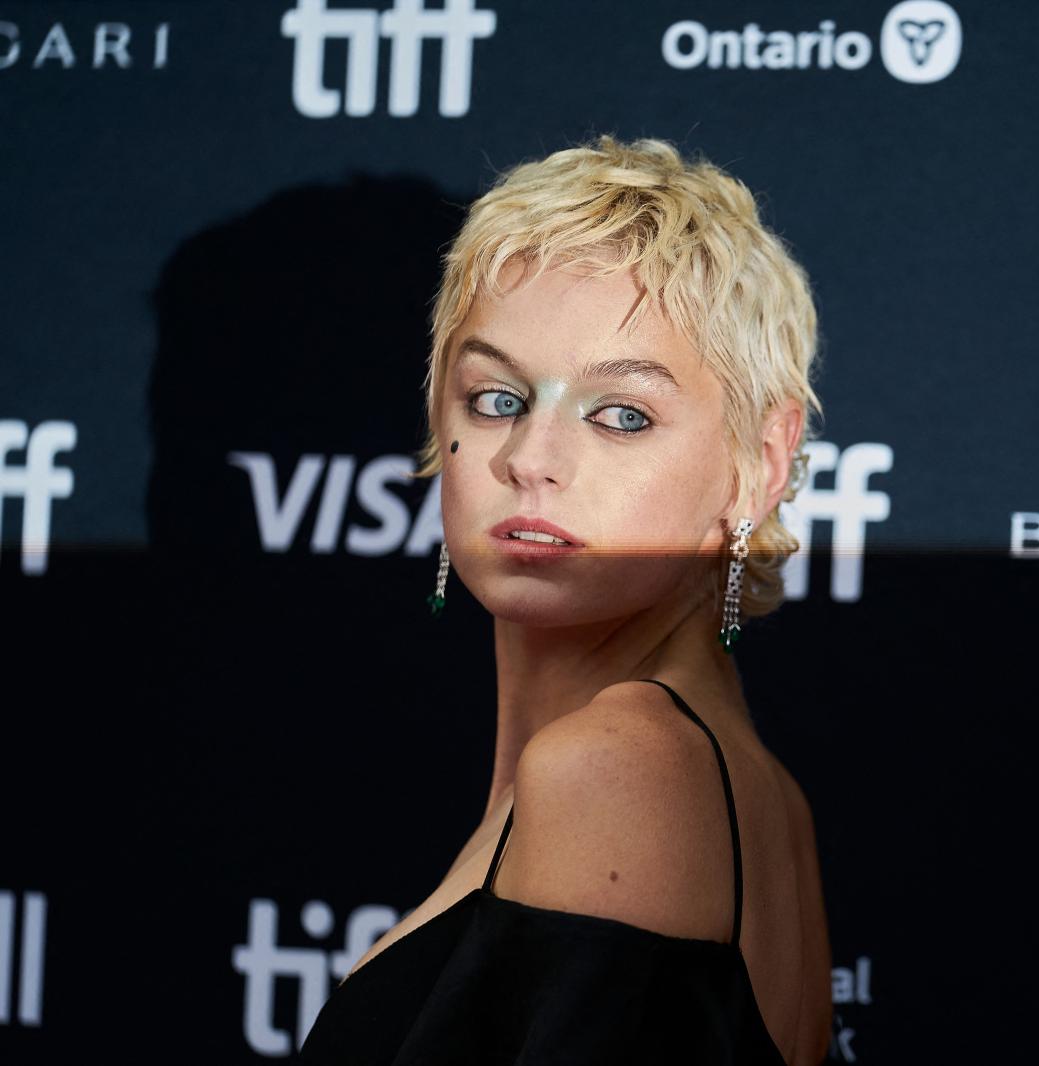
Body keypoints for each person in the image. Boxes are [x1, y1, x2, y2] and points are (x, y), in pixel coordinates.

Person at [295, 134, 832, 1064]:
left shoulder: (621, 769)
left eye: (621, 415)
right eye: (497, 399)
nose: (529, 459)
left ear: (760, 462)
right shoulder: (739, 785)